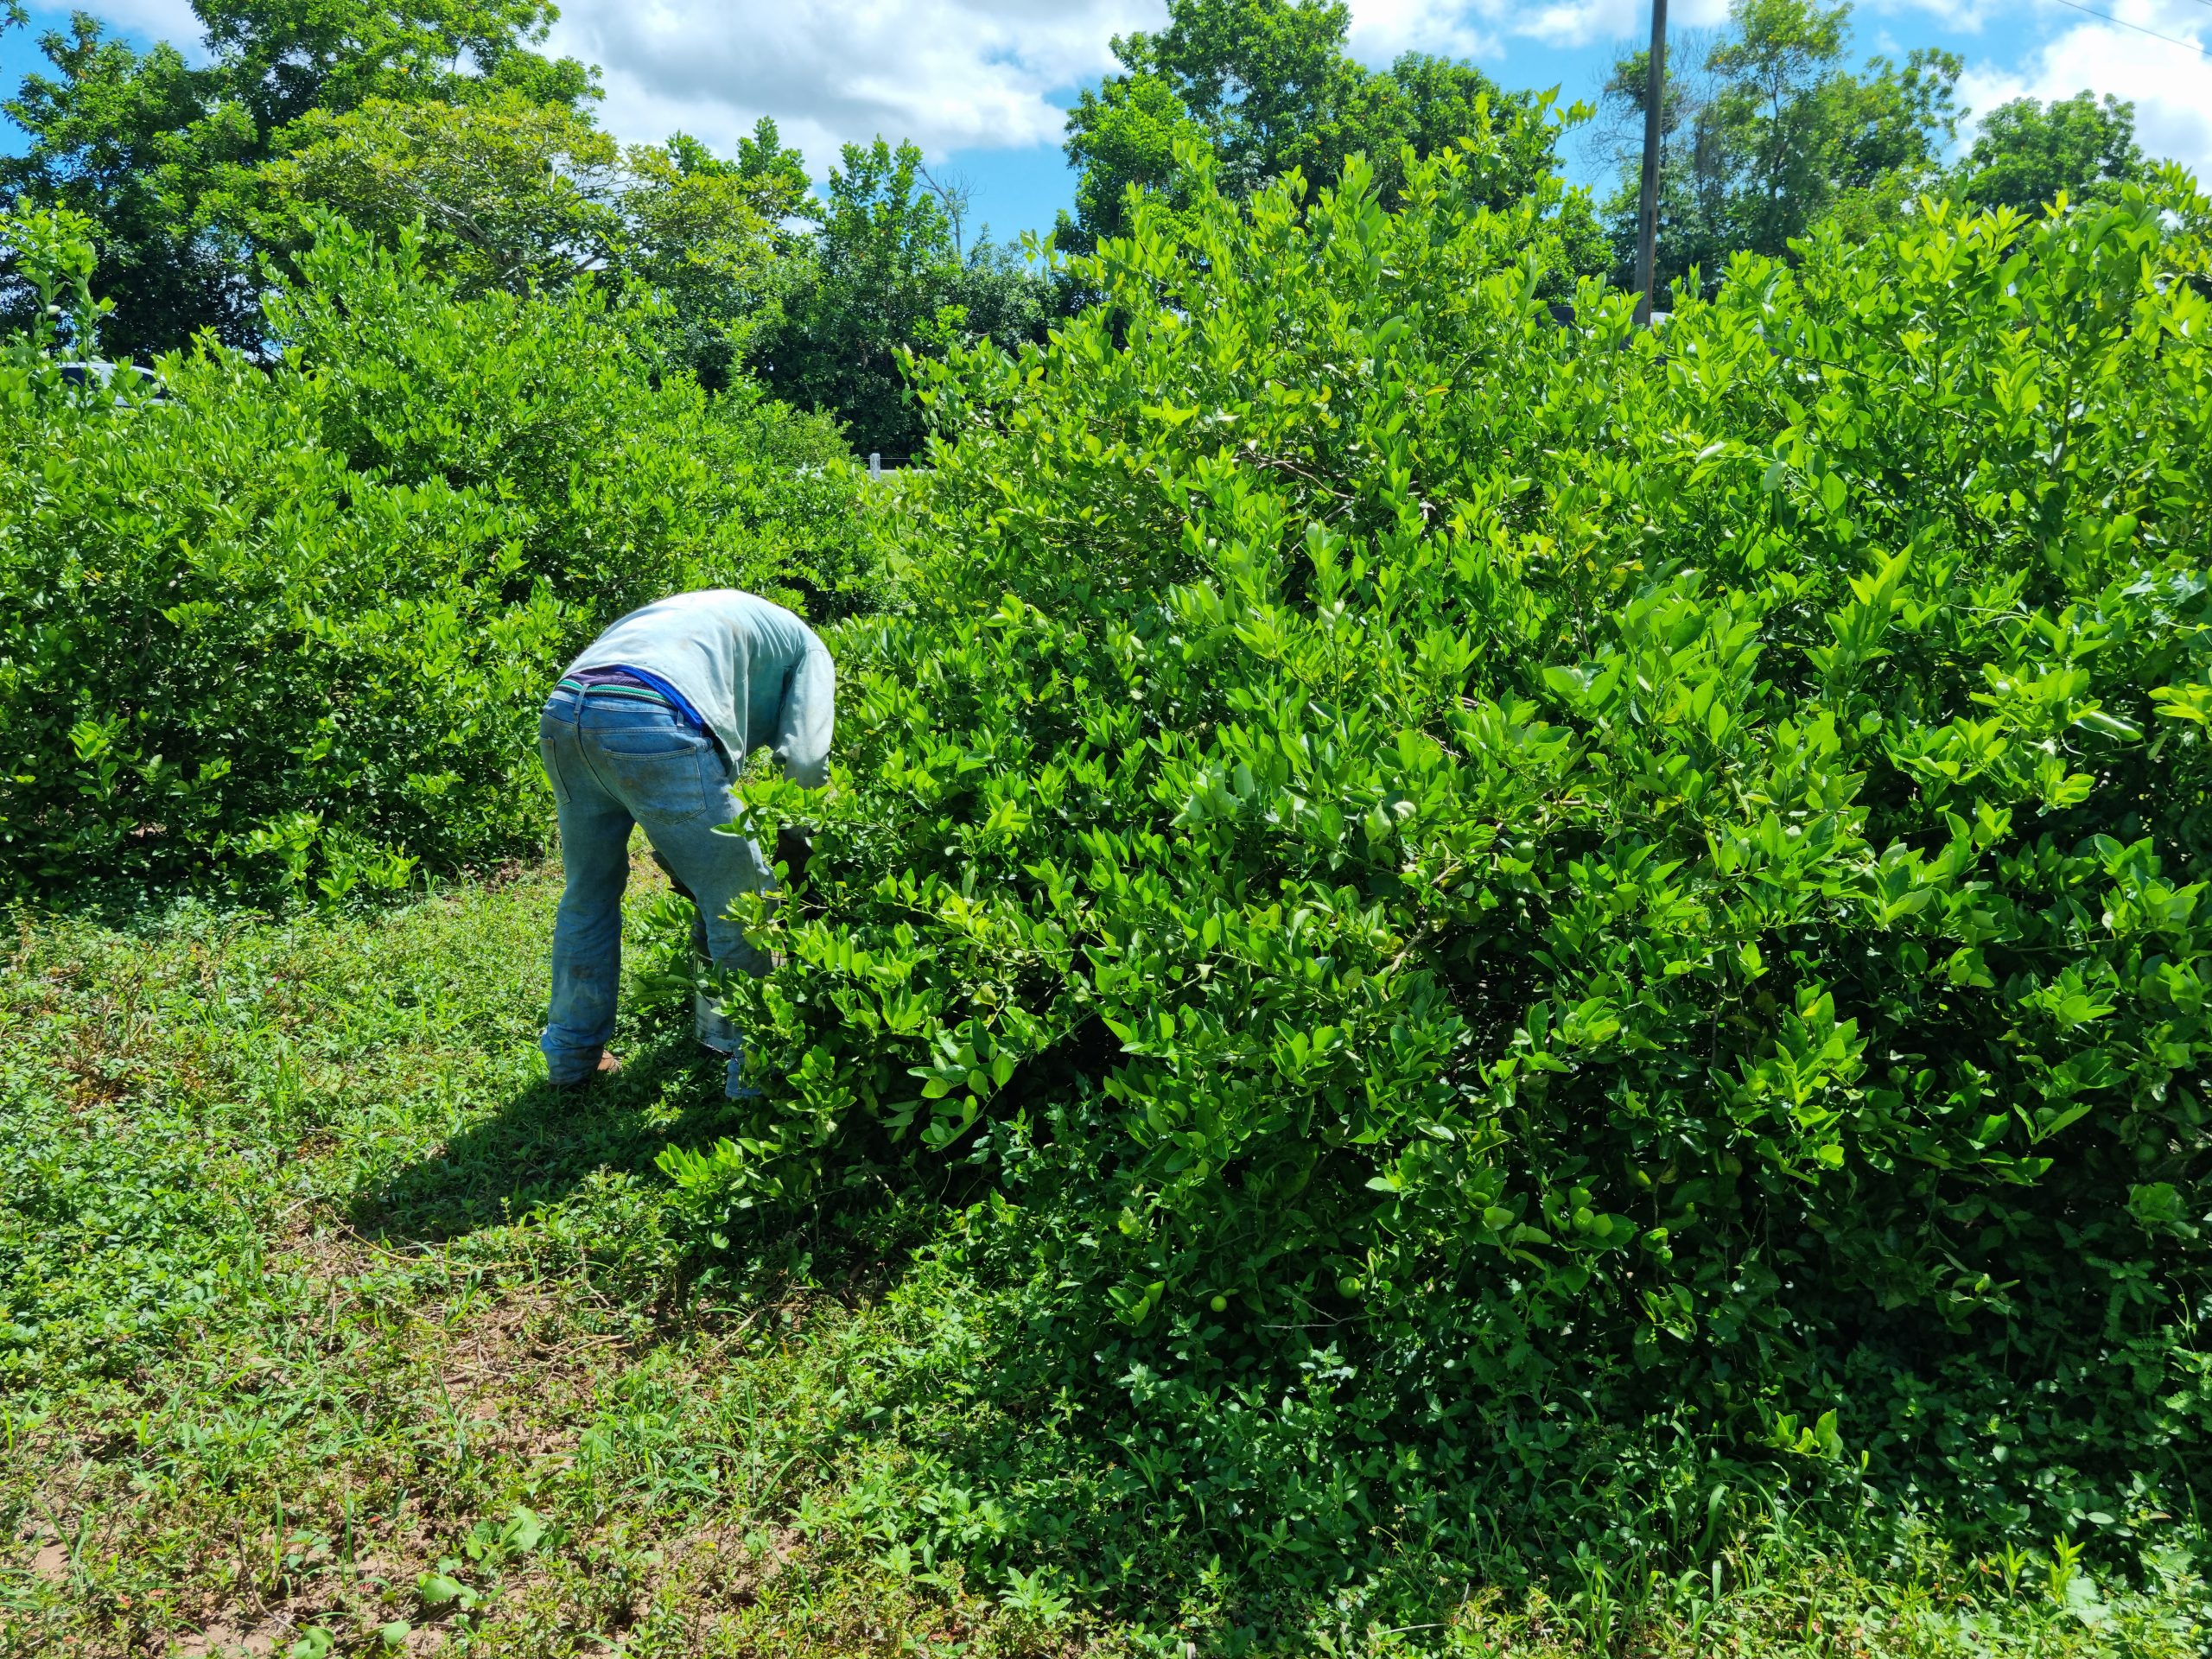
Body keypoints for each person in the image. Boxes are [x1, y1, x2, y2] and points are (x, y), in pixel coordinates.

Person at [537, 588, 833, 1097]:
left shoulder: (700, 618)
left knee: (588, 892)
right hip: (654, 717)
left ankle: (570, 1056)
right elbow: (805, 763)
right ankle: (755, 1078)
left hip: (567, 711)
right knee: (741, 905)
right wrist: (797, 848)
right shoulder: (810, 649)